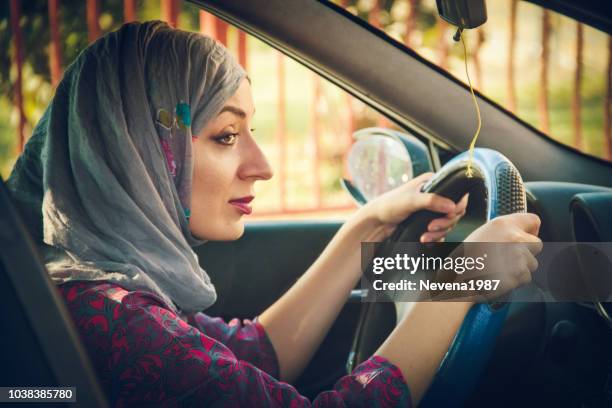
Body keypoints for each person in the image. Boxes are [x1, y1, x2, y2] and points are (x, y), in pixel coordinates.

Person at [7, 21, 542, 407]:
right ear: (138, 154)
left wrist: (367, 226)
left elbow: (251, 356)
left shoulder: (102, 289)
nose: (261, 167)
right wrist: (461, 280)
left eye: (249, 133)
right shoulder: (122, 325)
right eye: (225, 136)